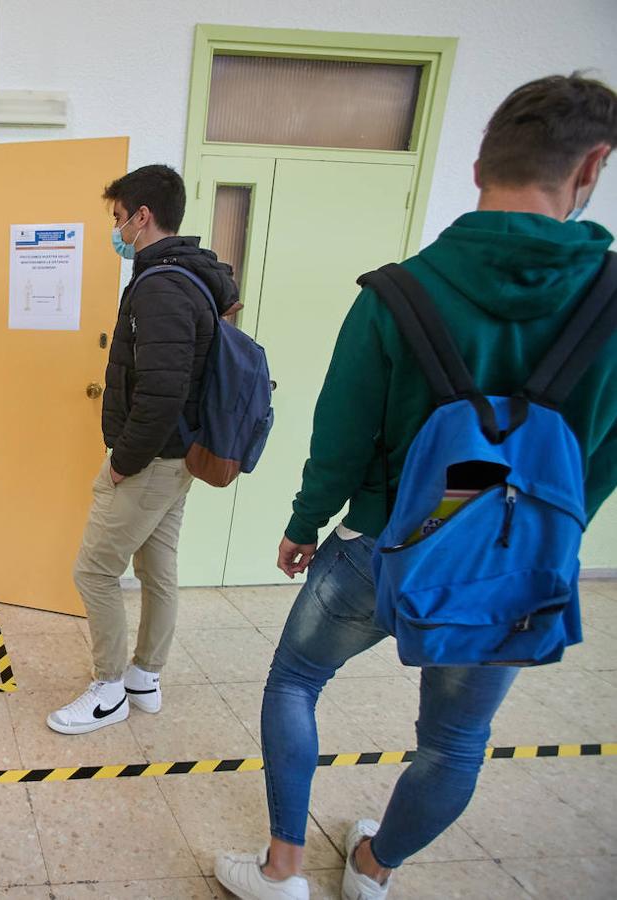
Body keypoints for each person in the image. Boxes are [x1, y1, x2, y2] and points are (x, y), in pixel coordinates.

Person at [215, 73, 617, 900]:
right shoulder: (611, 304)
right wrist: (545, 544)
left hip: (380, 544)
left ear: (477, 167)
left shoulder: (397, 295)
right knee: (456, 741)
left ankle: (283, 869)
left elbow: (340, 433)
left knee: (295, 681)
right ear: (592, 169)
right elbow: (597, 460)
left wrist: (303, 523)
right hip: (511, 569)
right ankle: (374, 869)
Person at [47, 165, 240, 734]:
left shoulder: (161, 286)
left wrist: (123, 461)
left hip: (154, 458)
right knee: (158, 568)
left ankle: (108, 690)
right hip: (180, 455)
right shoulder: (194, 277)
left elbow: (160, 391)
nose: (116, 231)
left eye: (117, 219)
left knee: (94, 572)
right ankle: (144, 678)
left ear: (142, 217)